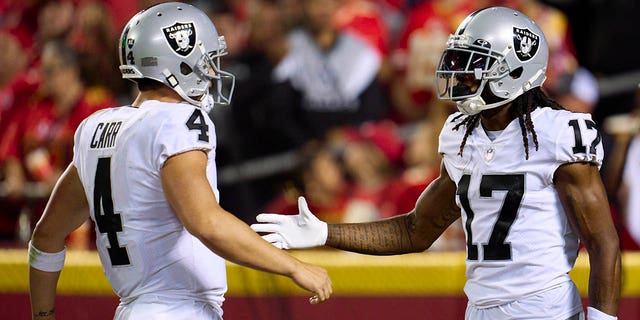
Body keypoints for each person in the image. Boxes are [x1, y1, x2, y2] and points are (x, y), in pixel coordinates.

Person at [252, 6, 620, 320]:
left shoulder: (558, 132)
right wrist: (324, 233)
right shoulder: (461, 135)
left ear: (513, 73)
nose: (460, 75)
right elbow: (415, 230)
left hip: (546, 309)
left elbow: (603, 243)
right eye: (459, 62)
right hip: (479, 308)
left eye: (476, 65)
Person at [28, 3, 331, 320]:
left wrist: (43, 316)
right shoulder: (179, 120)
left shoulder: (96, 127)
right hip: (178, 310)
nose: (212, 71)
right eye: (205, 61)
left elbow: (46, 237)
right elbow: (206, 223)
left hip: (133, 309)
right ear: (179, 63)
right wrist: (294, 266)